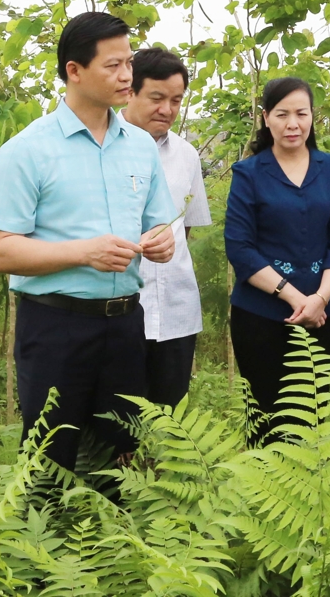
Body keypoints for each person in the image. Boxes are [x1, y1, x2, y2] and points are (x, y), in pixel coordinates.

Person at [0, 12, 176, 472]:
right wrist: (83, 253)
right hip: (54, 327)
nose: (127, 75)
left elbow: (158, 225)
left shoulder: (141, 146)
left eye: (128, 62)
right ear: (74, 70)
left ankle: (119, 543)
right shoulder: (26, 151)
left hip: (126, 325)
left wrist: (161, 242)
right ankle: (45, 540)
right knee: (50, 458)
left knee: (124, 458)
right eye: (113, 66)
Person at [225, 77, 330, 439]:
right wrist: (297, 298)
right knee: (264, 420)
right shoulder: (248, 173)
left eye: (301, 113)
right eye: (282, 114)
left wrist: (320, 299)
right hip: (260, 316)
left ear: (313, 116)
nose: (292, 123)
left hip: (323, 315)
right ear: (266, 118)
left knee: (311, 418)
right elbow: (240, 247)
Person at [120, 47, 213, 407]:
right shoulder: (101, 148)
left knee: (171, 416)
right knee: (121, 418)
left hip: (176, 307)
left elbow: (183, 230)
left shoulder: (187, 156)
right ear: (130, 91)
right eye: (156, 98)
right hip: (120, 308)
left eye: (176, 100)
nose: (167, 109)